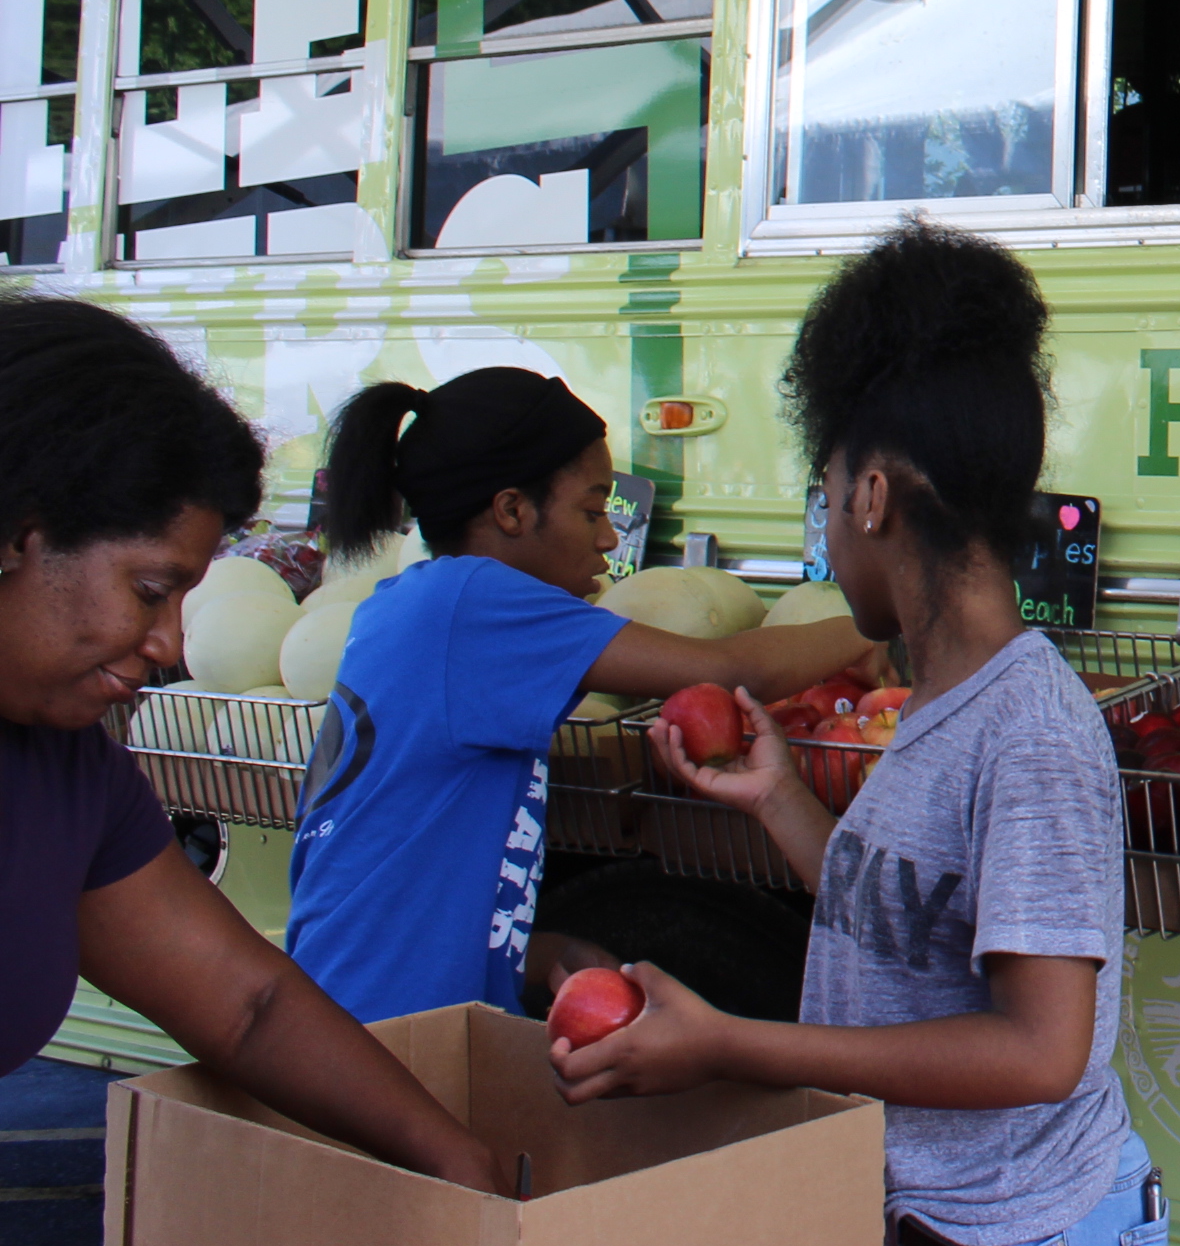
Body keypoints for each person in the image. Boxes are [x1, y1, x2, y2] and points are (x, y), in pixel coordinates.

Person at [551, 219, 1157, 1246]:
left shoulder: (1028, 730)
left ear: (873, 496)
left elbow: (1040, 1047)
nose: (828, 526)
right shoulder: (938, 694)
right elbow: (915, 931)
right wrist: (780, 799)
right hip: (933, 1242)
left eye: (827, 493)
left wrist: (731, 1043)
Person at [0, 299, 497, 1246]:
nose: (169, 641)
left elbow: (245, 1004)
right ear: (15, 537)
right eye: (148, 590)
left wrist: (454, 1157)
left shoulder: (64, 766)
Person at [284, 368, 887, 1025]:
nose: (607, 537)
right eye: (592, 510)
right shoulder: (475, 602)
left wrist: (540, 952)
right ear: (512, 510)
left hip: (366, 1002)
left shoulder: (421, 604)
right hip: (386, 1027)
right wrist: (870, 628)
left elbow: (412, 872)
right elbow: (729, 666)